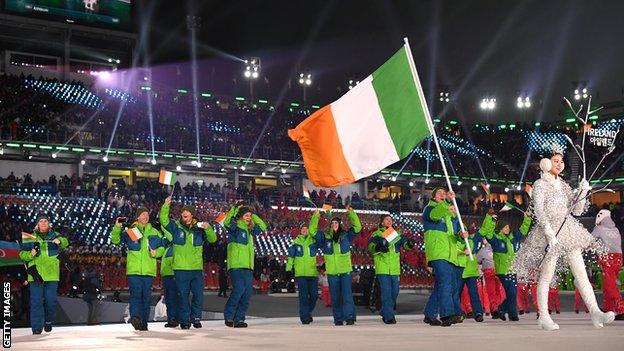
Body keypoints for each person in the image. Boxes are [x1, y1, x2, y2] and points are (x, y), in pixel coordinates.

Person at [513, 151, 616, 330]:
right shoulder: (540, 184)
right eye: (555, 161)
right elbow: (539, 210)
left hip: (567, 231)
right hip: (549, 233)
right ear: (546, 163)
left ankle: (595, 311)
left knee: (581, 274)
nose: (560, 164)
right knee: (546, 276)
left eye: (561, 161)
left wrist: (583, 192)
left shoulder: (564, 185)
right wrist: (549, 233)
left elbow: (576, 211)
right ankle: (544, 316)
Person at [160, 196, 217, 329]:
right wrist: (166, 205)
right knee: (183, 297)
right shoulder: (175, 227)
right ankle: (185, 321)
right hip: (180, 269)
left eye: (187, 214)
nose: (184, 215)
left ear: (192, 215)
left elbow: (213, 239)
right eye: (183, 213)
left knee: (198, 295)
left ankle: (196, 318)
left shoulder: (200, 229)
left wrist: (208, 228)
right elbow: (163, 220)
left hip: (196, 269)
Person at [110, 207, 164, 331]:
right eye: (143, 214)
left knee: (146, 298)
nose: (145, 216)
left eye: (147, 214)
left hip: (148, 271)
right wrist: (117, 227)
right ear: (138, 217)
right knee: (135, 295)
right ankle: (135, 317)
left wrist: (156, 252)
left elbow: (163, 247)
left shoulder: (155, 232)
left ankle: (143, 324)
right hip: (134, 270)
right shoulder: (131, 231)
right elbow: (115, 240)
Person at [422, 187, 469, 327]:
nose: (442, 195)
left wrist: (461, 235)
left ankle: (430, 314)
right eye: (439, 193)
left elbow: (455, 234)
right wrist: (447, 201)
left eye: (444, 193)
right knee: (446, 283)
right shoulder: (429, 209)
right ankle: (447, 314)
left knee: (442, 284)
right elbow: (435, 215)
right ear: (433, 197)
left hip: (450, 253)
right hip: (438, 251)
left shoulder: (449, 214)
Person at [19, 214, 69, 334]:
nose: (43, 223)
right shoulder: (29, 237)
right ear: (37, 224)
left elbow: (66, 242)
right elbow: (22, 255)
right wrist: (31, 254)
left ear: (49, 223)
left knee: (50, 301)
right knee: (36, 301)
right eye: (41, 221)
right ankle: (36, 328)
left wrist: (60, 241)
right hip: (35, 274)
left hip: (52, 274)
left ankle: (48, 321)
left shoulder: (55, 235)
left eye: (45, 221)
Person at [481, 208, 532, 321]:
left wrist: (527, 218)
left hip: (512, 270)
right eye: (505, 227)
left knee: (512, 293)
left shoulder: (513, 238)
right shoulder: (495, 240)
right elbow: (487, 232)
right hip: (502, 271)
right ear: (500, 228)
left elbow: (523, 230)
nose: (508, 228)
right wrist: (490, 219)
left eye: (508, 227)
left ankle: (503, 310)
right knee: (511, 292)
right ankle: (511, 314)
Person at [314, 205, 362, 326]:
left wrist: (351, 213)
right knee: (335, 297)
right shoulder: (325, 238)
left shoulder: (346, 235)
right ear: (330, 225)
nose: (334, 224)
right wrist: (315, 216)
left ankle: (350, 317)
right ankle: (338, 318)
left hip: (345, 270)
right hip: (332, 272)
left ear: (340, 225)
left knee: (347, 295)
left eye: (336, 222)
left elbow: (357, 227)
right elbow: (312, 231)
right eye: (332, 223)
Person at [223, 203, 267, 328]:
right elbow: (226, 223)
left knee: (247, 293)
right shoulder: (235, 227)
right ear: (241, 217)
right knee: (239, 290)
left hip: (248, 266)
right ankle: (229, 316)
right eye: (246, 215)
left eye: (250, 216)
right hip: (236, 265)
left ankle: (239, 319)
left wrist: (253, 215)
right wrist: (235, 209)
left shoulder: (250, 230)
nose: (248, 217)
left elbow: (263, 227)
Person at [367, 214, 416, 324]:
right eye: (386, 220)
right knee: (386, 292)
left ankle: (385, 310)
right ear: (382, 222)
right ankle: (389, 317)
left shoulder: (396, 234)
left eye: (390, 220)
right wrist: (378, 247)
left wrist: (410, 244)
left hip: (394, 268)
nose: (389, 221)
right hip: (382, 266)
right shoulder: (377, 234)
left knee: (395, 291)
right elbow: (370, 246)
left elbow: (405, 245)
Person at [286, 209, 322, 324]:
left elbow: (314, 229)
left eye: (306, 229)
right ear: (300, 231)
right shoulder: (295, 243)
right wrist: (288, 269)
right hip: (301, 274)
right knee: (303, 297)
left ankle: (308, 312)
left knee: (314, 296)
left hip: (312, 273)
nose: (305, 230)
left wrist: (315, 216)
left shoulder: (314, 242)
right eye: (303, 229)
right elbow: (291, 257)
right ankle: (304, 317)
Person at [591, 209, 624, 319]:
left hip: (608, 259)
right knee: (609, 284)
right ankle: (608, 308)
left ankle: (621, 310)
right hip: (618, 258)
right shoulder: (615, 229)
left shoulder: (599, 229)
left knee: (611, 285)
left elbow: (589, 240)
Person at [459, 225, 485, 322]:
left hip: (471, 272)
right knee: (456, 294)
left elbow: (471, 249)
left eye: (466, 231)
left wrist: (489, 217)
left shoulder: (471, 241)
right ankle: (458, 311)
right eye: (462, 231)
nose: (464, 233)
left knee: (474, 293)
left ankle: (478, 312)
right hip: (460, 271)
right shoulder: (457, 241)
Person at [159, 234, 180, 328]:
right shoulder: (167, 249)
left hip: (172, 276)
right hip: (167, 276)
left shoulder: (173, 249)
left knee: (172, 299)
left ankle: (174, 319)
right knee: (169, 299)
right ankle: (172, 318)